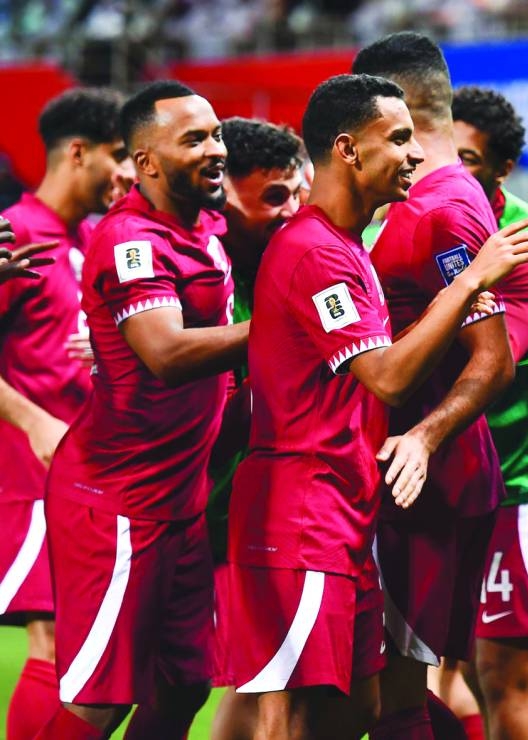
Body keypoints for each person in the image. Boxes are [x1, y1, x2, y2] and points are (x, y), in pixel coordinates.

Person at [223, 72, 528, 740]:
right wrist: (468, 282)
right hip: (298, 518)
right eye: (399, 139)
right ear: (348, 149)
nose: (414, 154)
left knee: (359, 712)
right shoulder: (317, 252)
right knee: (290, 716)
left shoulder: (349, 247)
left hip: (342, 511)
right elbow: (389, 379)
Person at [36, 80, 250, 740]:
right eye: (194, 140)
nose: (215, 149)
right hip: (119, 504)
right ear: (147, 161)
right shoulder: (131, 240)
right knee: (100, 701)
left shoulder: (208, 228)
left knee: (184, 685)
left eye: (216, 134)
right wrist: (285, 324)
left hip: (181, 502)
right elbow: (165, 352)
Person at [351, 32, 528, 738]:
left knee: (393, 695)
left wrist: (423, 440)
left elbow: (492, 358)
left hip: (421, 489)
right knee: (381, 693)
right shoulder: (411, 201)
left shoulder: (445, 208)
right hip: (405, 482)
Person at [0, 87, 129, 740]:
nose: (127, 173)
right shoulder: (14, 233)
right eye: (117, 156)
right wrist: (31, 421)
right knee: (54, 641)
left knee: (102, 658)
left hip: (91, 476)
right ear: (76, 152)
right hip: (30, 477)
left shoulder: (96, 239)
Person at [452, 84, 528, 740]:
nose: (447, 170)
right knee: (464, 667)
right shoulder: (409, 223)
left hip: (518, 481)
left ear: (501, 169)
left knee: (506, 673)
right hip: (451, 476)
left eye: (467, 159)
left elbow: (491, 365)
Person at [206, 116, 304, 740]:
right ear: (223, 191)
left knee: (253, 689)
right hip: (206, 520)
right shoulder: (196, 270)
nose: (292, 212)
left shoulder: (287, 264)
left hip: (256, 518)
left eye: (299, 193)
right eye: (273, 196)